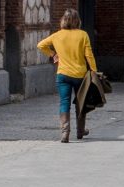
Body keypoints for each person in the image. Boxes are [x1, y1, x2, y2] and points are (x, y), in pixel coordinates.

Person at [35, 10, 99, 143]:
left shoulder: (57, 35)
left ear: (63, 20)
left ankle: (65, 133)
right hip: (80, 75)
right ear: (77, 20)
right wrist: (94, 71)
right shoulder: (83, 35)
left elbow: (40, 45)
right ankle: (80, 131)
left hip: (63, 74)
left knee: (64, 102)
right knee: (81, 103)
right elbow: (89, 55)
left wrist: (53, 54)